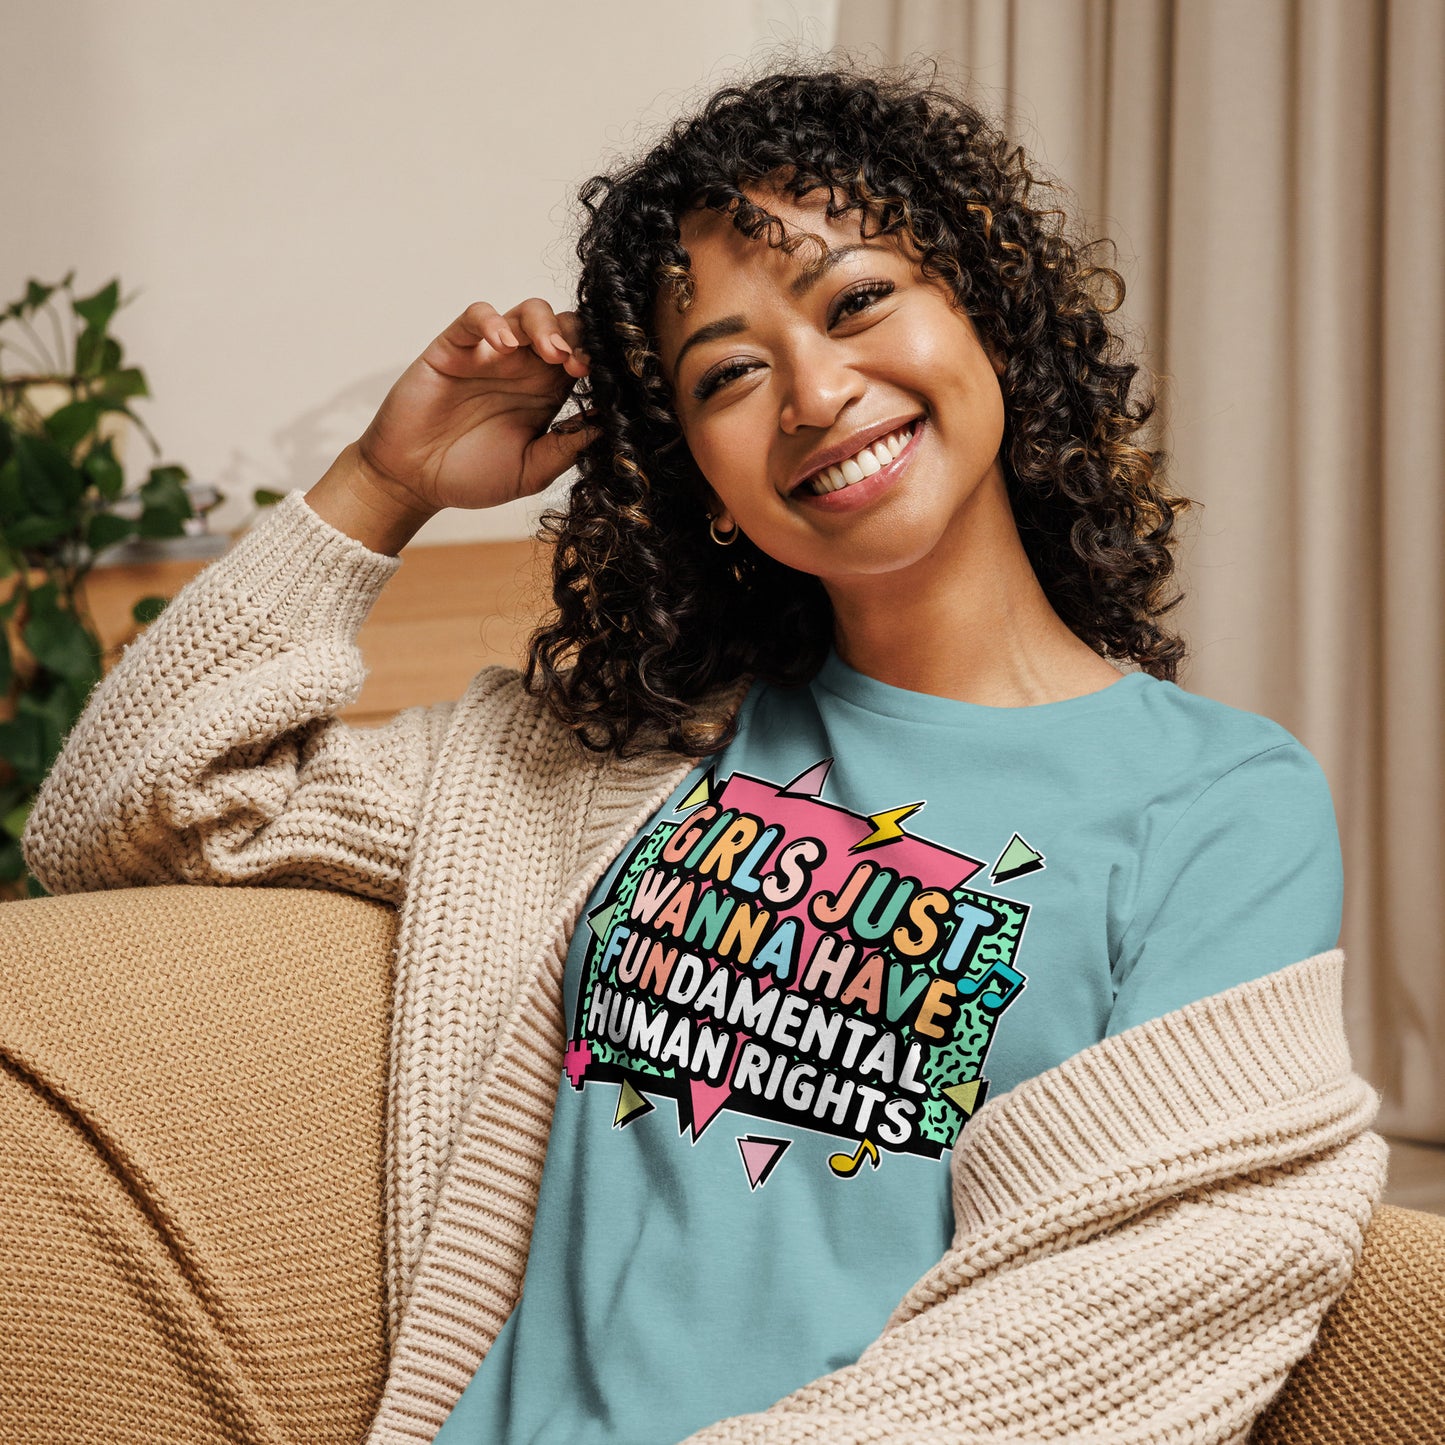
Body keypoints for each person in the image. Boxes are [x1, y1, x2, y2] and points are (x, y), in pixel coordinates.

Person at [13, 60, 1384, 1445]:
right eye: (728, 372)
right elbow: (127, 814)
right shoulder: (612, 761)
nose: (812, 390)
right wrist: (383, 483)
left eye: (857, 301)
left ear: (986, 315)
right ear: (703, 482)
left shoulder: (1215, 800)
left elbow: (1131, 1304)